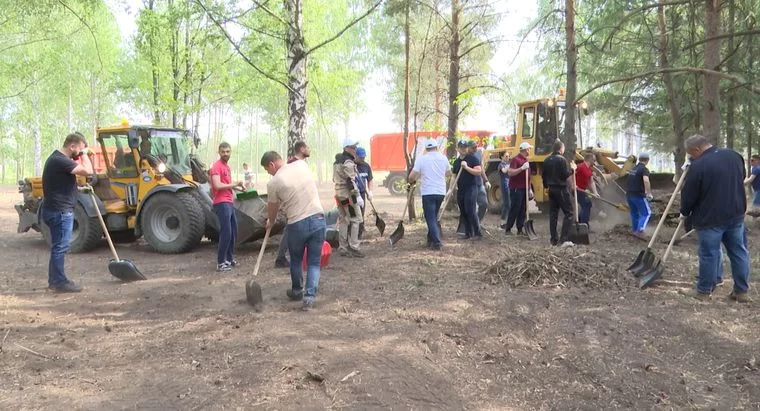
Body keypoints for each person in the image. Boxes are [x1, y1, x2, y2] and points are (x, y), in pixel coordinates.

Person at [680, 134, 750, 302]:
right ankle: (741, 291)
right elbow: (741, 178)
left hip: (710, 218)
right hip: (735, 214)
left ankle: (704, 291)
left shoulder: (698, 165)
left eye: (691, 153)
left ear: (697, 149)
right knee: (739, 252)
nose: (691, 157)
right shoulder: (734, 156)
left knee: (709, 254)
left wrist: (686, 211)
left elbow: (689, 194)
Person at [262, 151, 326, 311]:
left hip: (297, 224)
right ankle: (309, 298)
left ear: (271, 164)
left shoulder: (274, 183)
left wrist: (270, 221)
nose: (268, 173)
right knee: (314, 262)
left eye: (266, 169)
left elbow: (272, 210)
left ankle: (297, 290)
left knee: (296, 259)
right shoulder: (301, 165)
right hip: (319, 218)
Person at [41, 132, 93, 292]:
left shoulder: (57, 160)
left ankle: (55, 280)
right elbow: (88, 171)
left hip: (54, 209)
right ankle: (59, 282)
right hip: (60, 212)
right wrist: (84, 154)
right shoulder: (61, 160)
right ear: (72, 146)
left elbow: (59, 185)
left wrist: (78, 189)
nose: (80, 152)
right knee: (60, 247)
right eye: (79, 149)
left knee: (58, 246)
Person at [275, 140, 312, 268]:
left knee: (290, 230)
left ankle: (282, 257)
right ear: (301, 149)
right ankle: (285, 258)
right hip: (293, 202)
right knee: (291, 229)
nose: (309, 149)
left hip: (300, 202)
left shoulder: (301, 163)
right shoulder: (293, 164)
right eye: (307, 147)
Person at [209, 142, 245, 272]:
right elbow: (218, 185)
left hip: (229, 201)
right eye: (223, 151)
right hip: (221, 202)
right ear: (219, 152)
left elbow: (226, 184)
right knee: (226, 232)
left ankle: (229, 259)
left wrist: (238, 186)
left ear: (231, 152)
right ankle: (220, 262)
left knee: (233, 232)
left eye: (228, 151)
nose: (225, 154)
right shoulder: (216, 167)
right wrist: (233, 184)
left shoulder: (226, 167)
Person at [409, 140, 451, 250]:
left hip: (428, 192)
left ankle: (437, 242)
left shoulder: (422, 159)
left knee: (430, 218)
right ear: (436, 147)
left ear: (426, 149)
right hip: (440, 192)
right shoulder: (443, 158)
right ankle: (430, 240)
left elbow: (412, 176)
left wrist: (414, 179)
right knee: (434, 216)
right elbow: (448, 173)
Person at [333, 138, 364, 257]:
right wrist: (358, 197)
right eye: (353, 147)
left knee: (343, 218)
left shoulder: (337, 161)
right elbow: (351, 182)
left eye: (355, 147)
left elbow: (333, 179)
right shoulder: (348, 162)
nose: (355, 150)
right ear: (346, 148)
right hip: (347, 195)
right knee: (356, 218)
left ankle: (342, 247)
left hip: (339, 195)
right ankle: (354, 247)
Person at [542, 140, 575, 247]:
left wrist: (546, 187)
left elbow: (543, 176)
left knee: (553, 214)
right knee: (569, 213)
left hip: (551, 189)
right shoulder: (562, 160)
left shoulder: (546, 160)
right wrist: (573, 170)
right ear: (561, 148)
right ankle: (564, 239)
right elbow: (565, 175)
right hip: (561, 189)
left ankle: (553, 239)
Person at [453, 139, 482, 240]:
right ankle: (468, 233)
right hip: (461, 189)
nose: (463, 149)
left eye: (465, 147)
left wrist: (467, 168)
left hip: (471, 188)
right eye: (461, 147)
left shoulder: (472, 159)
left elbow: (479, 172)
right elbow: (453, 176)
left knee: (470, 210)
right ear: (458, 149)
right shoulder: (456, 162)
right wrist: (450, 189)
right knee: (463, 211)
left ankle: (477, 233)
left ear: (467, 148)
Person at [504, 142, 532, 235]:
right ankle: (508, 228)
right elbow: (510, 173)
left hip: (524, 188)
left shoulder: (526, 160)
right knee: (515, 208)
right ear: (526, 149)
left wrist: (529, 189)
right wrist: (521, 168)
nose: (530, 150)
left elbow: (528, 177)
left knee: (523, 209)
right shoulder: (516, 160)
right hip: (516, 188)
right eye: (529, 149)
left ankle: (520, 229)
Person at [625, 152, 653, 240]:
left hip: (629, 195)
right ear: (647, 160)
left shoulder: (633, 169)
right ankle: (640, 230)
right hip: (638, 195)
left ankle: (634, 230)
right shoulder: (644, 169)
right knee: (646, 213)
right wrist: (648, 193)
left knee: (634, 213)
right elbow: (646, 181)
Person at [354, 147, 374, 238]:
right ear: (355, 155)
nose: (362, 159)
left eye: (363, 157)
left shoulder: (366, 166)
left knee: (361, 214)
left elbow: (370, 180)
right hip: (352, 194)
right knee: (353, 215)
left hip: (362, 193)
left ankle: (359, 234)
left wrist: (370, 192)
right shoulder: (352, 165)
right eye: (360, 157)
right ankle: (351, 235)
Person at [575, 152, 597, 228]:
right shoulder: (580, 167)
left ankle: (581, 223)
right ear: (590, 160)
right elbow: (571, 175)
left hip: (582, 190)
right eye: (594, 160)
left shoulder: (589, 169)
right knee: (587, 204)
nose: (594, 162)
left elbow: (591, 182)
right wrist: (573, 185)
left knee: (587, 204)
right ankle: (584, 224)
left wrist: (595, 193)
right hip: (576, 190)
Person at [498, 151, 511, 228]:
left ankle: (506, 222)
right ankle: (502, 223)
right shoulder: (501, 165)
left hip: (509, 185)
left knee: (509, 204)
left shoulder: (507, 164)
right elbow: (504, 171)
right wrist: (509, 165)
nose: (508, 158)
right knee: (506, 204)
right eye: (506, 156)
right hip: (504, 185)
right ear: (502, 157)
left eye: (508, 156)